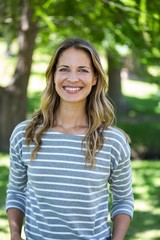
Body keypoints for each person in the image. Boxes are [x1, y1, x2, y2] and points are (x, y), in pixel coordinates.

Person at [6, 38, 134, 240]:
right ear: (53, 76)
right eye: (64, 69)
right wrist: (14, 234)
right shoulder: (25, 134)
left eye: (83, 70)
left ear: (94, 78)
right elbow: (16, 191)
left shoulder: (112, 141)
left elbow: (123, 200)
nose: (72, 78)